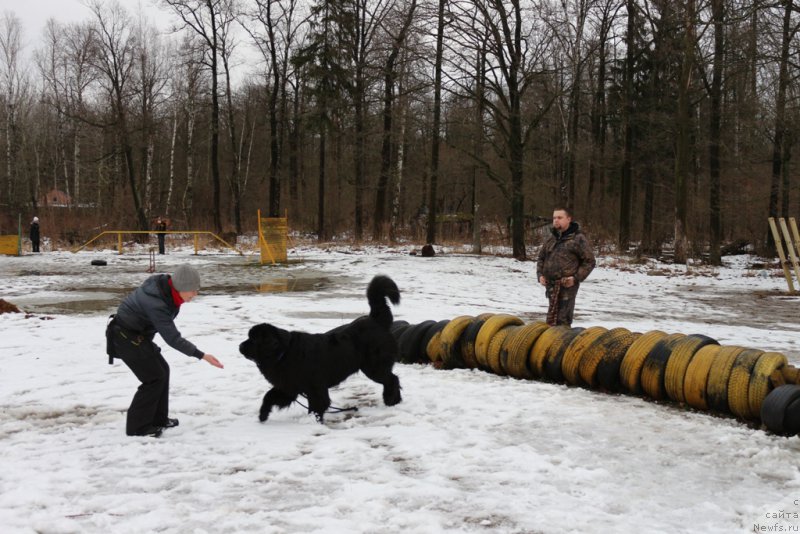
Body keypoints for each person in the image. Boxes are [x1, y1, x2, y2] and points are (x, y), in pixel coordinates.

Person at [106, 265, 224, 437]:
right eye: (192, 290)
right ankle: (138, 427)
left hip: (137, 336)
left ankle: (158, 419)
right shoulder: (157, 302)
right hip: (125, 337)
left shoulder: (168, 293)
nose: (195, 295)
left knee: (162, 371)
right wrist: (202, 355)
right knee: (153, 378)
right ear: (181, 287)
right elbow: (172, 338)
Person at [536, 207, 596, 327]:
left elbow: (590, 261)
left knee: (562, 321)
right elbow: (541, 258)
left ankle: (561, 343)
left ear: (568, 219)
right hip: (551, 286)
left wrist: (575, 278)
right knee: (552, 321)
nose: (556, 220)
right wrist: (540, 275)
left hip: (567, 287)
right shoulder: (552, 239)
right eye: (554, 218)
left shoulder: (578, 239)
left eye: (559, 217)